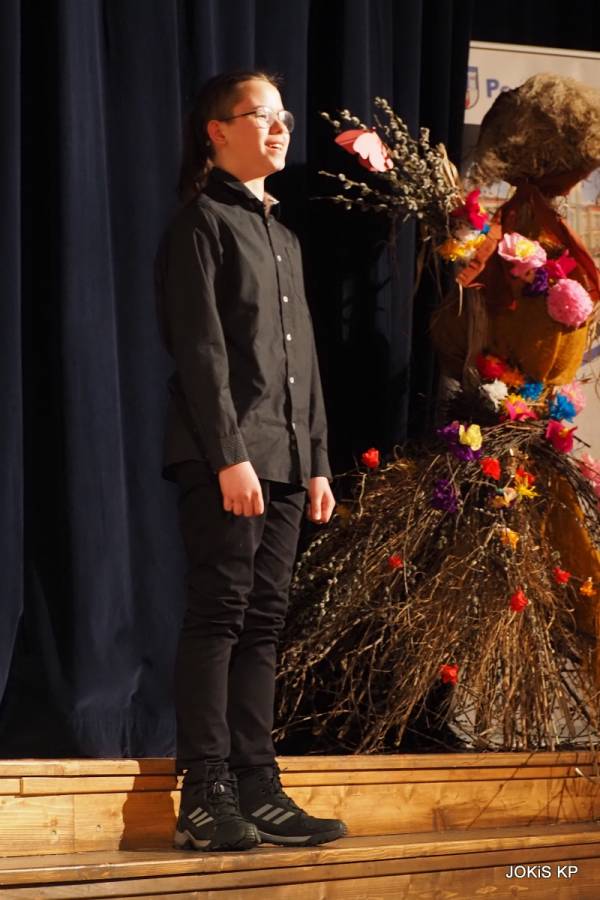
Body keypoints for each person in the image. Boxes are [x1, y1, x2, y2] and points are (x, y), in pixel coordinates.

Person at [155, 70, 347, 852]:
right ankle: (205, 792)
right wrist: (230, 456)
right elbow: (201, 353)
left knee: (265, 622)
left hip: (289, 459)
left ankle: (258, 784)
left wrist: (318, 461)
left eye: (284, 117)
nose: (278, 128)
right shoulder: (200, 224)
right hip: (228, 456)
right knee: (221, 614)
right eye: (260, 115)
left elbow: (304, 365)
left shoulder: (285, 238)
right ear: (218, 131)